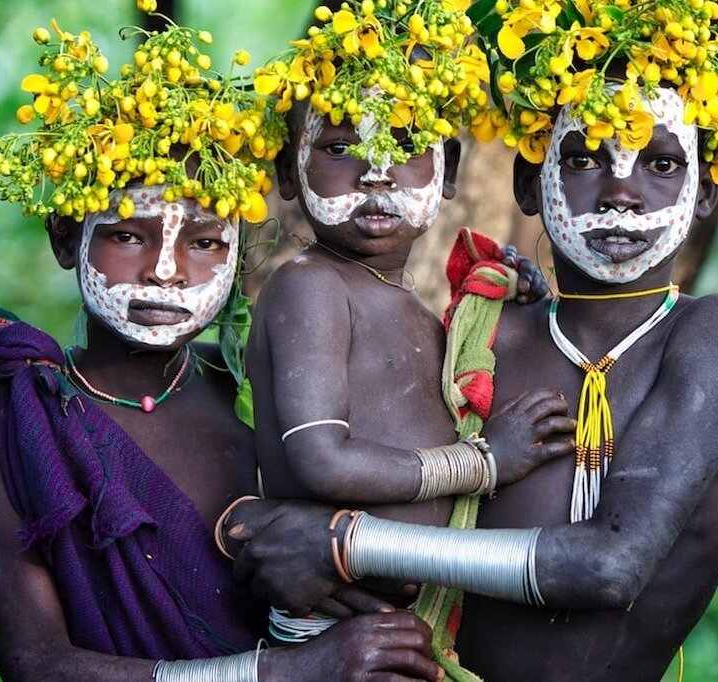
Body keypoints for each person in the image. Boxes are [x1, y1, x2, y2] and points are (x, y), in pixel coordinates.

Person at [222, 2, 718, 679]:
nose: (621, 192)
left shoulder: (717, 335)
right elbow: (322, 431)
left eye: (661, 163)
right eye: (585, 158)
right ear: (530, 183)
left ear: (707, 188)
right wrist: (258, 523)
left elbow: (609, 568)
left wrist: (343, 545)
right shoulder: (482, 331)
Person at [0, 10, 440, 681]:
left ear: (237, 256)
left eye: (204, 242)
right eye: (128, 234)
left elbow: (349, 571)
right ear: (66, 237)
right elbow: (36, 664)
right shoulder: (0, 408)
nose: (166, 270)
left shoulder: (251, 387)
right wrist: (288, 672)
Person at [245, 0, 575, 650]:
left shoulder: (416, 314)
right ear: (289, 170)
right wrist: (484, 464)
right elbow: (320, 461)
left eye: (402, 145)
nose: (374, 170)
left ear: (447, 172)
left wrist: (511, 310)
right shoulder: (309, 286)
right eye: (341, 147)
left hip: (403, 626)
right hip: (328, 631)